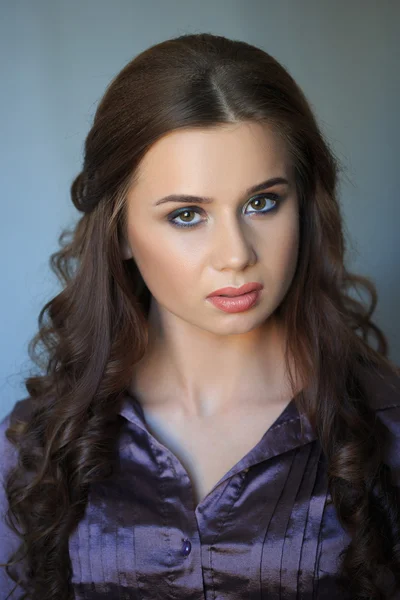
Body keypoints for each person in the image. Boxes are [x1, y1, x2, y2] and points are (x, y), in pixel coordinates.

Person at [1, 32, 399, 600]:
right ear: (121, 234)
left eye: (262, 203)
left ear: (306, 207)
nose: (237, 253)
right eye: (187, 215)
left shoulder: (385, 429)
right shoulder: (36, 447)